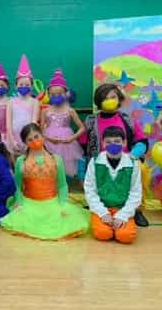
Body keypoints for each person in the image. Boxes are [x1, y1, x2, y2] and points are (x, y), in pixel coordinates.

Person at [0, 123, 88, 240]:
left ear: (42, 136)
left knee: (62, 220)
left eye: (36, 136)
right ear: (25, 143)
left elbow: (62, 185)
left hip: (52, 201)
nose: (34, 141)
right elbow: (18, 186)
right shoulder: (21, 161)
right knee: (24, 219)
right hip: (29, 202)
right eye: (29, 139)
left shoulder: (56, 159)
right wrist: (19, 203)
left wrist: (63, 204)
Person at [80, 83, 149, 227]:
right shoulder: (91, 121)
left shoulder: (127, 119)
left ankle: (137, 210)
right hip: (101, 163)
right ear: (99, 101)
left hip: (125, 161)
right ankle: (100, 207)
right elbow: (83, 144)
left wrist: (133, 156)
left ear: (119, 98)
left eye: (113, 97)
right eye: (105, 98)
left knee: (141, 170)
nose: (110, 100)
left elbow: (142, 141)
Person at [84, 126, 140, 244]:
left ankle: (119, 225)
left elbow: (136, 193)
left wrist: (123, 215)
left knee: (126, 236)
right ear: (103, 143)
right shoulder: (94, 162)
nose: (112, 145)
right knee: (103, 233)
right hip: (102, 208)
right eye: (108, 142)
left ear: (124, 143)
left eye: (117, 141)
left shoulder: (133, 163)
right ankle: (109, 226)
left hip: (123, 208)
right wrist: (103, 213)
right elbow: (90, 190)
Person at [41, 69, 85, 177]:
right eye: (53, 94)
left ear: (66, 93)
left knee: (67, 163)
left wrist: (72, 138)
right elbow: (41, 129)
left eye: (59, 94)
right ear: (49, 95)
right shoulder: (45, 111)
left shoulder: (70, 110)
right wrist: (48, 138)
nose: (56, 96)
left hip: (67, 141)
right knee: (49, 163)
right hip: (49, 142)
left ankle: (65, 184)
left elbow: (82, 128)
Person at [7, 55, 40, 155]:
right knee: (15, 162)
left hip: (29, 137)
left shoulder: (35, 102)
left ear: (31, 86)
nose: (23, 87)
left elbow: (33, 123)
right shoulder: (11, 102)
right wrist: (12, 141)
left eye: (27, 85)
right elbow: (8, 124)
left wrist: (29, 140)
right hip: (13, 137)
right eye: (21, 85)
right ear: (15, 86)